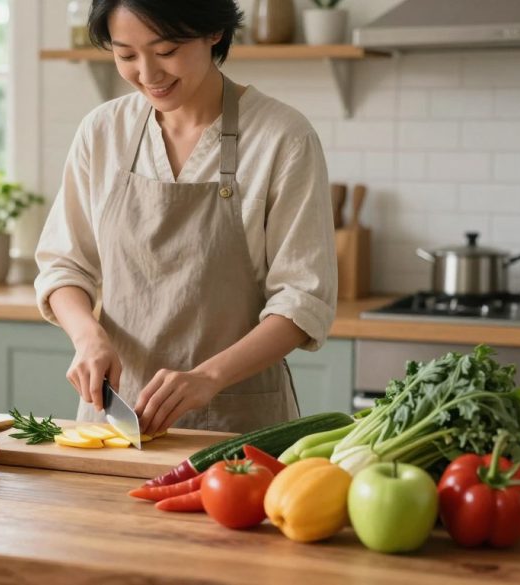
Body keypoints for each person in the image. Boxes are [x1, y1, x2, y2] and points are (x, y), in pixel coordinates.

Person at [33, 0, 337, 436]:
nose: (148, 74)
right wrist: (87, 336)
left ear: (213, 32)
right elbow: (64, 265)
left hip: (240, 425)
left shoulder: (282, 137)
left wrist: (207, 378)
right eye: (126, 55)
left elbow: (302, 299)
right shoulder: (102, 132)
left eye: (167, 50)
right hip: (116, 419)